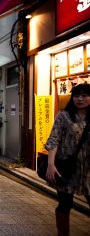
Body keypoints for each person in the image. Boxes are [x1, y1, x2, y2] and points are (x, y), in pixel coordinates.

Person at [45, 83, 89, 236]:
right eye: (76, 96)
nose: (80, 99)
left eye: (84, 96)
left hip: (88, 171)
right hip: (67, 168)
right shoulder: (64, 115)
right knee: (64, 204)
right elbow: (53, 140)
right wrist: (51, 165)